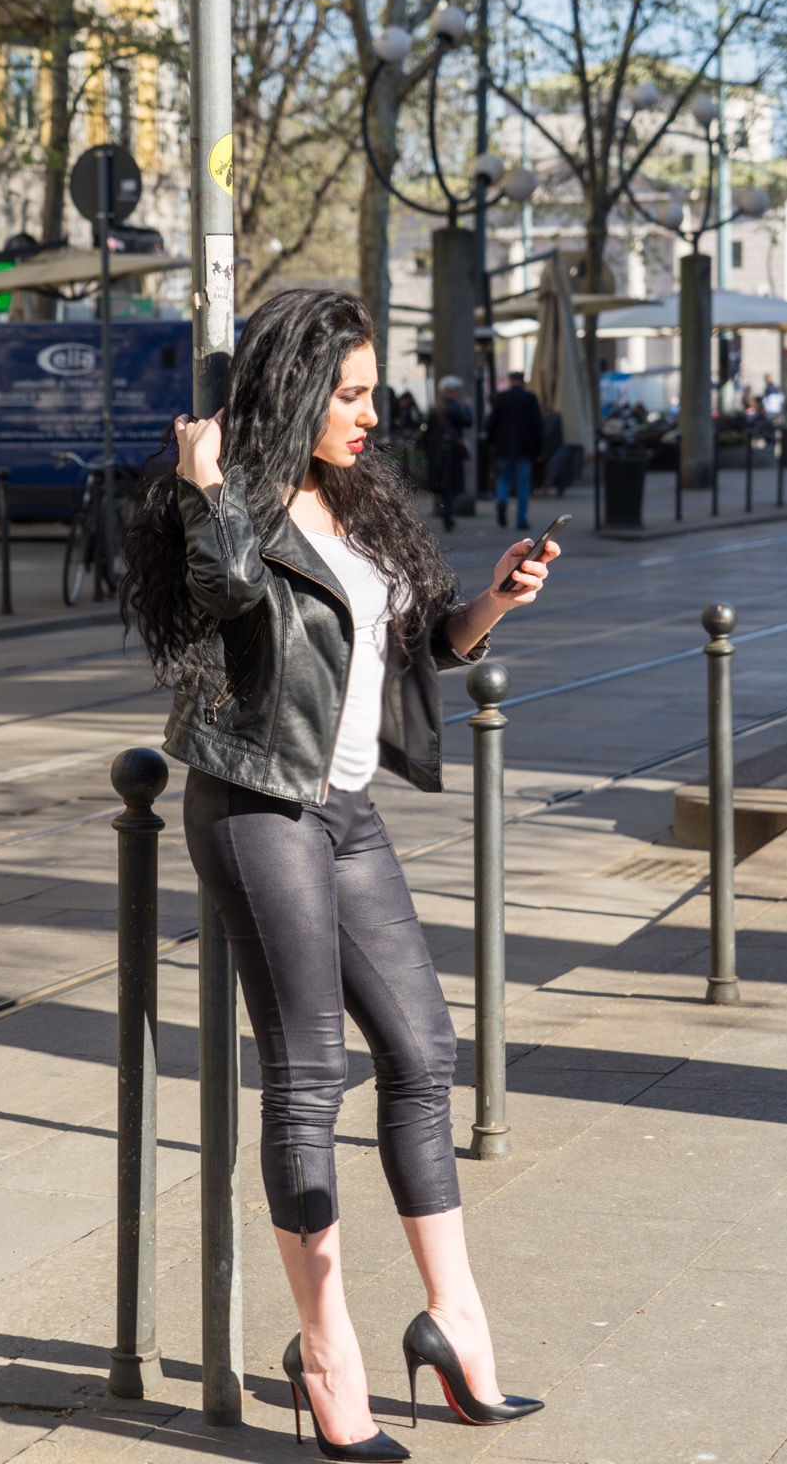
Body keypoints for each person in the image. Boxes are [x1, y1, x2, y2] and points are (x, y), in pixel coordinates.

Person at [121, 289, 556, 1462]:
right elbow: (223, 600)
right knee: (309, 1074)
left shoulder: (358, 504)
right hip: (262, 804)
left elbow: (402, 650)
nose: (371, 414)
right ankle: (326, 1355)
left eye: (373, 393)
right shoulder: (231, 503)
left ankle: (455, 1325)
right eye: (350, 395)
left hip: (347, 809)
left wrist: (488, 608)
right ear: (297, 389)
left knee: (423, 1055)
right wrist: (210, 486)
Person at [486, 371, 544, 530]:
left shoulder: (501, 398)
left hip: (503, 447)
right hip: (525, 448)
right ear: (523, 382)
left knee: (503, 478)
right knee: (523, 484)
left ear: (510, 381)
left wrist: (491, 443)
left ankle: (502, 501)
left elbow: (491, 423)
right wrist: (539, 449)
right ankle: (521, 520)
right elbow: (538, 425)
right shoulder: (530, 398)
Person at [423, 375, 471, 530]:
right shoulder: (456, 407)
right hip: (453, 452)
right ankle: (445, 511)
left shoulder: (436, 408)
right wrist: (467, 408)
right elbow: (468, 422)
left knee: (443, 485)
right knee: (454, 485)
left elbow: (427, 432)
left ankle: (445, 512)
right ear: (452, 391)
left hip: (437, 452)